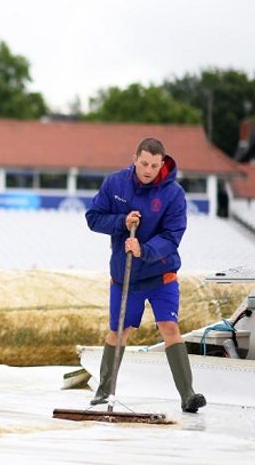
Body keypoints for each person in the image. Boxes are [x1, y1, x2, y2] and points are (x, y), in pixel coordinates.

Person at [85, 137, 206, 413]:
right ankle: (104, 391)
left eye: (154, 165)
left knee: (170, 329)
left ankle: (188, 395)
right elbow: (93, 217)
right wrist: (122, 221)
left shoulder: (173, 194)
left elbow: (173, 235)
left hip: (161, 274)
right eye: (143, 164)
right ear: (134, 158)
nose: (148, 170)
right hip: (124, 277)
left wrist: (144, 250)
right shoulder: (115, 183)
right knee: (118, 331)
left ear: (162, 163)